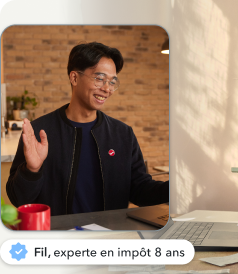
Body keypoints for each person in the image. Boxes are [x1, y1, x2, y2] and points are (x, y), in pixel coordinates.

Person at [6, 42, 168, 216]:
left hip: (109, 237)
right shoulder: (40, 131)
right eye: (99, 79)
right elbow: (19, 199)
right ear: (74, 78)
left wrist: (173, 188)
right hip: (59, 239)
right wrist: (32, 170)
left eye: (112, 81)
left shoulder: (123, 134)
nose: (107, 89)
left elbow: (140, 190)